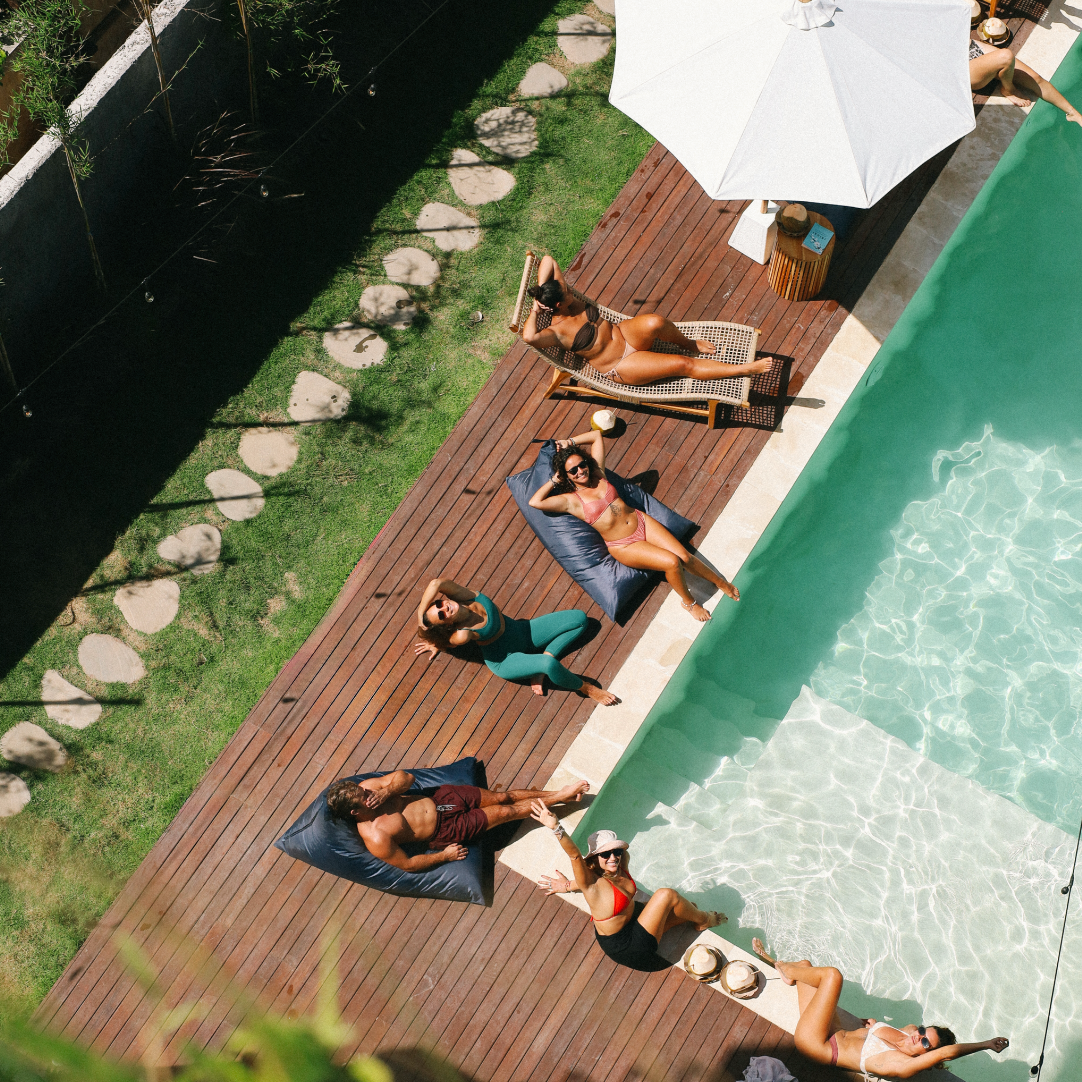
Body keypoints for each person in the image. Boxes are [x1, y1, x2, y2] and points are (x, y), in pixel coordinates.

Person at [528, 428, 738, 621]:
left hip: (641, 522)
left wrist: (569, 442)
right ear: (566, 476)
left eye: (582, 464)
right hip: (624, 544)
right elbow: (535, 502)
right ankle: (689, 603)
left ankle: (720, 582)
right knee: (672, 562)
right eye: (573, 470)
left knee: (684, 556)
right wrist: (554, 481)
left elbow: (596, 436)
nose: (581, 471)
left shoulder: (598, 474)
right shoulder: (571, 501)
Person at [750, 939, 1010, 1078]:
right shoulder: (907, 1033)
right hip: (834, 1029)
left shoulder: (900, 1065)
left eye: (925, 1043)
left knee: (832, 977)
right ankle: (790, 971)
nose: (917, 1036)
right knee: (806, 965)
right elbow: (887, 1033)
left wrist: (986, 1044)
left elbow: (946, 1053)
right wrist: (871, 1027)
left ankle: (779, 965)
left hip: (818, 1046)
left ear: (926, 1055)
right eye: (922, 1031)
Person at [520, 254, 773, 386]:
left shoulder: (565, 298)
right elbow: (529, 337)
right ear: (556, 306)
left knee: (655, 321)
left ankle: (689, 343)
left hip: (624, 332)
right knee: (683, 365)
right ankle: (744, 369)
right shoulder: (556, 332)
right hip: (622, 363)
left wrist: (539, 295)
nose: (571, 292)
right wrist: (534, 313)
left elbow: (548, 261)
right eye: (566, 295)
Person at [532, 808, 727, 972]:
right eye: (605, 854)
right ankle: (704, 920)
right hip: (628, 947)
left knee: (687, 906)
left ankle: (681, 921)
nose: (613, 857)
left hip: (632, 921)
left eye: (616, 851)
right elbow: (575, 856)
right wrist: (556, 828)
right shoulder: (592, 884)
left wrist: (568, 885)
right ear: (594, 859)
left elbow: (592, 879)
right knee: (667, 896)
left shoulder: (621, 862)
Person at [325, 769, 589, 872]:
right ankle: (563, 795)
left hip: (443, 798)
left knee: (503, 797)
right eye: (363, 797)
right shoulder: (375, 837)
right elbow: (407, 864)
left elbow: (407, 778)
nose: (367, 792)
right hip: (446, 829)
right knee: (506, 813)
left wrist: (386, 792)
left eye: (364, 789)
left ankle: (558, 795)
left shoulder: (372, 788)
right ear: (354, 812)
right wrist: (445, 857)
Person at [414, 577, 619, 705]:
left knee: (580, 620)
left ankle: (539, 664)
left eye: (439, 604)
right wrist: (435, 642)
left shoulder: (465, 596)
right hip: (505, 659)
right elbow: (450, 642)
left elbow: (436, 583)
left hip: (524, 631)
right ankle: (586, 689)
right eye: (441, 615)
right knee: (549, 665)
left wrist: (420, 613)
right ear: (447, 624)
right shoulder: (463, 633)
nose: (444, 608)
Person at [971, 41, 1082, 126]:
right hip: (963, 68)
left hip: (970, 46)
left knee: (1035, 79)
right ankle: (1009, 90)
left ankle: (1073, 113)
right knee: (1006, 57)